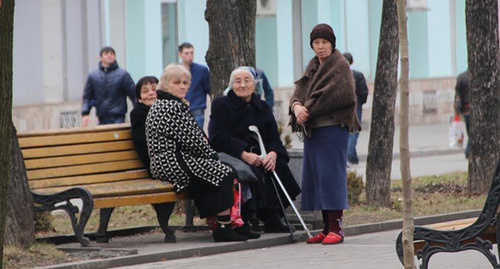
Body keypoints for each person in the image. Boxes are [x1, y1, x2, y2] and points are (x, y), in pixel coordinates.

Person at [146, 64, 249, 242]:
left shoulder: (168, 103)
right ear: (164, 84)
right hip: (171, 162)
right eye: (177, 82)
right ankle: (223, 227)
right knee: (224, 172)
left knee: (219, 169)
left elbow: (192, 139)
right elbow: (193, 141)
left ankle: (230, 224)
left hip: (174, 159)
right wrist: (213, 156)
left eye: (185, 83)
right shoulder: (170, 107)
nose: (182, 86)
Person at [289, 23, 360, 245]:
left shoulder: (339, 66)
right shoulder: (312, 67)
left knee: (331, 177)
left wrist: (307, 109)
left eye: (324, 42)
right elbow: (298, 93)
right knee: (317, 178)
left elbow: (342, 95)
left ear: (332, 44)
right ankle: (325, 227)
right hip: (314, 131)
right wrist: (296, 108)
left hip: (333, 129)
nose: (320, 47)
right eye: (316, 43)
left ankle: (337, 229)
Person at [209, 66, 301, 234]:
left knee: (278, 166)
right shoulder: (221, 104)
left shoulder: (262, 106)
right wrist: (244, 154)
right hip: (233, 155)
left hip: (262, 153)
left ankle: (274, 216)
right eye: (238, 81)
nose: (243, 85)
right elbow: (217, 137)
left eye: (247, 80)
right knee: (250, 171)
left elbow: (273, 136)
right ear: (231, 84)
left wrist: (273, 154)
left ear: (255, 84)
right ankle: (246, 218)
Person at [129, 76, 177, 242]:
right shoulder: (138, 114)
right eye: (146, 91)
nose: (151, 93)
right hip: (155, 164)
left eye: (154, 89)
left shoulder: (166, 108)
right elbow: (145, 144)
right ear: (139, 97)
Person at [81, 46, 137, 126]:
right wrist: (85, 113)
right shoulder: (93, 76)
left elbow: (134, 94)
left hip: (118, 116)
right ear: (101, 58)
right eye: (106, 54)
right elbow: (87, 97)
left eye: (112, 54)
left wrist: (138, 111)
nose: (109, 56)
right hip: (102, 117)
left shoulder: (123, 75)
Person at [343, 52, 368, 165]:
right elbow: (364, 92)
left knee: (346, 132)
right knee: (354, 132)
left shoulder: (339, 75)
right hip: (356, 106)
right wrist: (361, 103)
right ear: (352, 61)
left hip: (343, 107)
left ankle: (353, 157)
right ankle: (350, 155)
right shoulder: (358, 75)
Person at [178, 42, 210, 128]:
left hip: (197, 107)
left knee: (197, 134)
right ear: (180, 54)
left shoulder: (202, 70)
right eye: (186, 53)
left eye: (191, 53)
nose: (189, 56)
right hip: (179, 108)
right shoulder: (175, 71)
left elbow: (208, 88)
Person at [454, 70, 470, 159]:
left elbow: (457, 95)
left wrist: (457, 109)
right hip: (472, 109)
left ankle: (468, 150)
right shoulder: (476, 76)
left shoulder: (461, 77)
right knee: (472, 133)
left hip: (465, 110)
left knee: (470, 131)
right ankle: (467, 151)